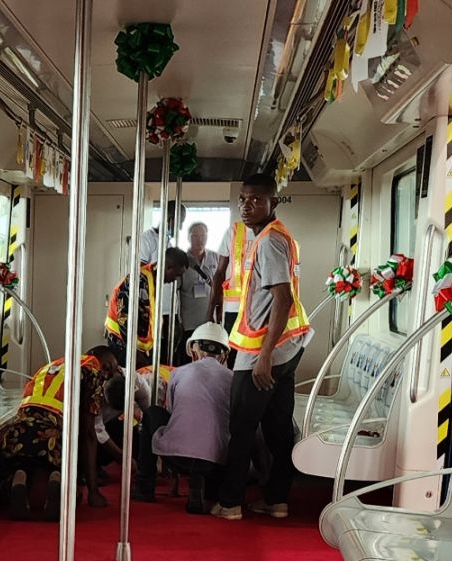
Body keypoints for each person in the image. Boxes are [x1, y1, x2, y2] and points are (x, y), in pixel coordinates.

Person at [214, 172, 312, 521]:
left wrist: (264, 357)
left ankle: (230, 503)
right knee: (277, 427)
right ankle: (276, 500)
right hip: (288, 346)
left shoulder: (269, 241)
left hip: (264, 351)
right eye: (242, 199)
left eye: (256, 200)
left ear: (273, 202)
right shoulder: (278, 235)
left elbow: (282, 300)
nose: (246, 206)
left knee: (241, 428)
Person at [0, 347, 121, 519]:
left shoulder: (52, 366)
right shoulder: (92, 373)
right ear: (95, 358)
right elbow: (89, 433)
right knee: (57, 459)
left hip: (19, 430)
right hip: (52, 435)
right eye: (107, 368)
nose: (107, 375)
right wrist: (93, 491)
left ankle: (19, 477)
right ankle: (57, 479)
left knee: (20, 463)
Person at [147, 323, 233, 514]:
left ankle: (145, 486)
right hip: (216, 460)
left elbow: (171, 413)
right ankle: (207, 486)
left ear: (193, 350)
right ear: (224, 355)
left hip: (177, 456)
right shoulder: (233, 378)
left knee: (153, 413)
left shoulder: (178, 373)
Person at [105, 247, 188, 369]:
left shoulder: (151, 280)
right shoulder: (137, 280)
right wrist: (134, 351)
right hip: (122, 343)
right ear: (168, 267)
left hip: (137, 347)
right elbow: (124, 317)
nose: (175, 280)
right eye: (176, 275)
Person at [175, 223, 220, 365]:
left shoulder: (215, 257)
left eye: (203, 236)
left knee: (208, 364)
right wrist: (178, 321)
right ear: (188, 237)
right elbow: (174, 294)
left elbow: (222, 287)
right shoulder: (182, 260)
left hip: (209, 323)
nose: (200, 239)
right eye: (195, 236)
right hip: (189, 324)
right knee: (189, 362)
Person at [208, 208, 254, 333]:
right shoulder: (233, 231)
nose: (246, 206)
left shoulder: (270, 233)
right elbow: (220, 272)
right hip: (234, 308)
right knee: (232, 345)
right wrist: (211, 310)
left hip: (260, 308)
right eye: (242, 200)